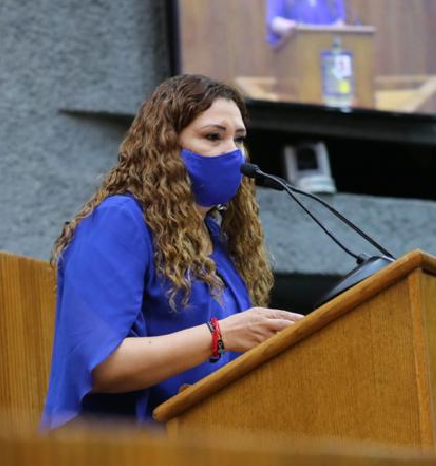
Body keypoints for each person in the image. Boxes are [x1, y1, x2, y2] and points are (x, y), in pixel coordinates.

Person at [41, 74, 302, 429]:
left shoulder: (215, 239)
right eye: (213, 136)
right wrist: (220, 335)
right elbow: (100, 366)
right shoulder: (120, 220)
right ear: (166, 147)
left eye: (239, 139)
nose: (233, 153)